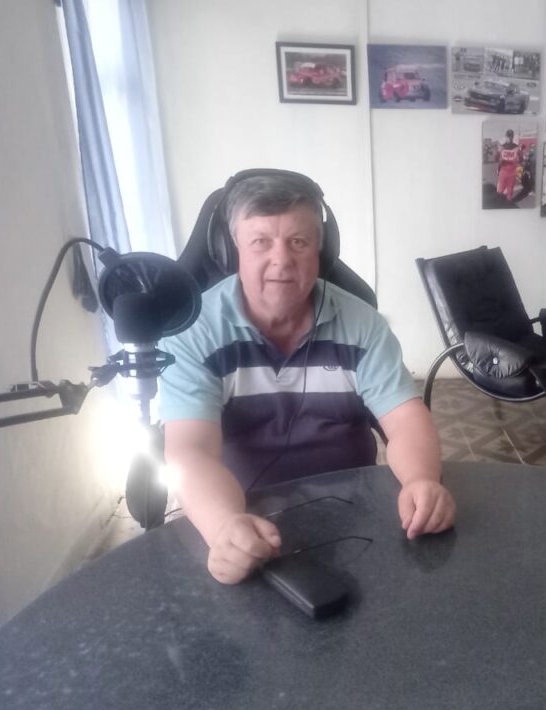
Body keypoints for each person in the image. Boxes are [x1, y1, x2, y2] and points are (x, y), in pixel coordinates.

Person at [160, 172, 455, 585]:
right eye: (260, 241)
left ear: (322, 248)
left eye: (298, 241)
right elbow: (190, 450)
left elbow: (405, 419)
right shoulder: (193, 334)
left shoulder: (363, 324)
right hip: (241, 514)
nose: (281, 260)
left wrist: (421, 481)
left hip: (355, 513)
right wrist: (224, 527)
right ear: (231, 249)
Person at [495, 129, 522, 203]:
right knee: (500, 190)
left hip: (512, 172)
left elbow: (521, 160)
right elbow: (496, 159)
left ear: (513, 137)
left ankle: (508, 204)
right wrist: (498, 152)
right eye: (508, 136)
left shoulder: (516, 147)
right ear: (506, 136)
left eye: (511, 136)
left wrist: (520, 154)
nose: (509, 138)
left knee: (510, 191)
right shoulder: (502, 147)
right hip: (503, 171)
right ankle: (499, 204)